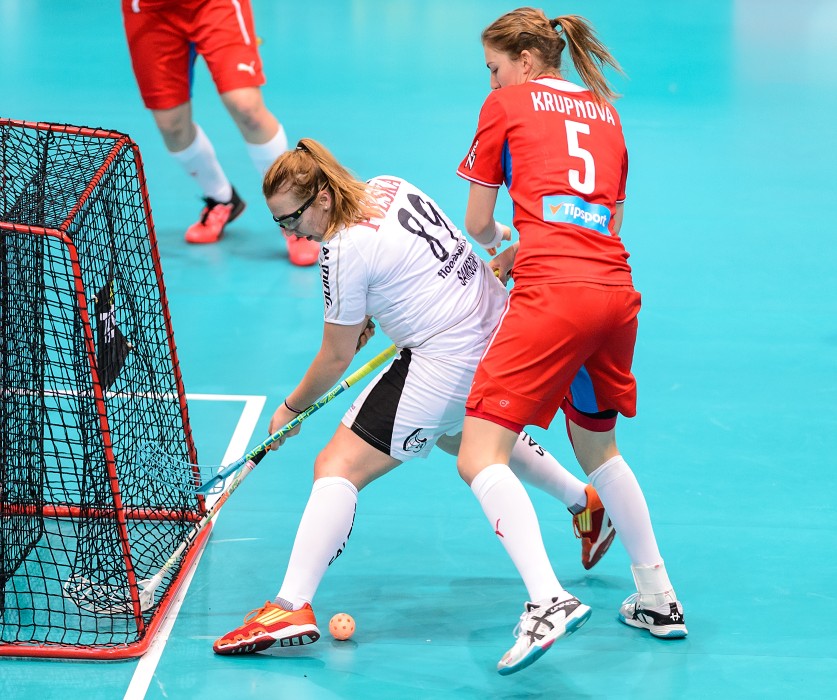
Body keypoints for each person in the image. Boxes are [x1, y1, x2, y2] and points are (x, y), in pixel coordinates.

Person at [212, 139, 616, 669]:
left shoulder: (339, 248)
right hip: (495, 321)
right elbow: (424, 265)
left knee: (336, 465)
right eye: (279, 223)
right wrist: (372, 314)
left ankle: (290, 605)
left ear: (324, 200)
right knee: (456, 432)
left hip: (447, 353)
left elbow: (335, 358)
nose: (291, 233)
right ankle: (584, 502)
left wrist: (289, 410)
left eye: (292, 218)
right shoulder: (388, 183)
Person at [455, 6, 688, 671]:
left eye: (494, 68)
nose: (493, 81)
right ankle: (658, 597)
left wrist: (508, 247)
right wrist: (531, 244)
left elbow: (479, 220)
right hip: (614, 294)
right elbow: (599, 217)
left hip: (552, 295)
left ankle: (546, 600)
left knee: (478, 454)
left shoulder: (506, 105)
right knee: (599, 447)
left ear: (523, 63)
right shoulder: (604, 113)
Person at [121, 0, 319, 265]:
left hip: (212, 5)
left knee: (246, 107)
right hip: (149, 10)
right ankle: (221, 199)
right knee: (171, 125)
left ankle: (295, 213)